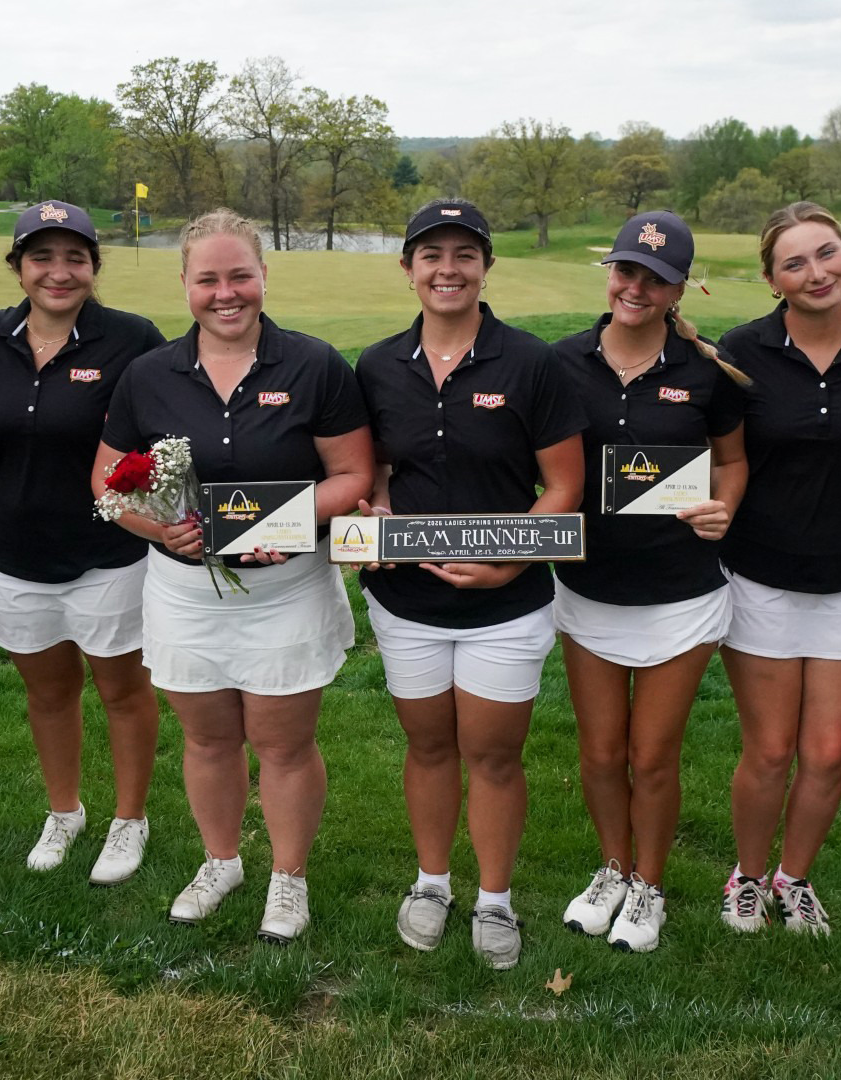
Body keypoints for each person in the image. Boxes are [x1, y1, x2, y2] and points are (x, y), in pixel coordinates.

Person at [92, 208, 371, 944]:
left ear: (262, 277)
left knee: (283, 744)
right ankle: (221, 861)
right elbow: (108, 485)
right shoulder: (149, 374)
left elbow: (352, 474)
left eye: (239, 275)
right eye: (208, 278)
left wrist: (291, 521)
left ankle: (287, 876)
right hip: (184, 593)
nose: (226, 293)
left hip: (286, 590)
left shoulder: (314, 365)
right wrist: (160, 528)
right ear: (184, 283)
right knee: (208, 741)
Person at [355, 198, 585, 970]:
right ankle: (431, 884)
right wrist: (377, 508)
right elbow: (377, 470)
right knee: (427, 746)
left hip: (507, 601)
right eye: (431, 255)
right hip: (407, 599)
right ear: (408, 268)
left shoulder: (531, 362)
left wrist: (511, 562)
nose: (447, 270)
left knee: (492, 752)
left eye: (463, 254)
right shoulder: (378, 364)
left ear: (486, 265)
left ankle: (495, 900)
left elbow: (562, 485)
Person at [550, 211, 748, 952]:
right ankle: (613, 867)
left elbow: (729, 460)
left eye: (655, 278)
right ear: (610, 273)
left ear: (680, 287)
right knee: (601, 753)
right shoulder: (561, 362)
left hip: (682, 590)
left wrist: (725, 507)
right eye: (626, 270)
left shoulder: (707, 369)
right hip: (589, 583)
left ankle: (650, 886)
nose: (635, 287)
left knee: (651, 755)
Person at [713, 202, 841, 936]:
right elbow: (719, 457)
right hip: (760, 573)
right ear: (772, 279)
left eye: (826, 253)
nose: (816, 271)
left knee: (826, 751)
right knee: (768, 749)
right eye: (794, 262)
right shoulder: (742, 349)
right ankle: (748, 875)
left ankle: (794, 878)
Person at [0, 201, 165, 883]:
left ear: (93, 266)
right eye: (42, 257)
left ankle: (128, 819)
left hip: (107, 549)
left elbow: (160, 442)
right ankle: (65, 812)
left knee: (122, 689)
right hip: (13, 544)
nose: (59, 272)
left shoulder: (132, 338)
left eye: (75, 258)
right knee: (48, 690)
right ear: (18, 266)